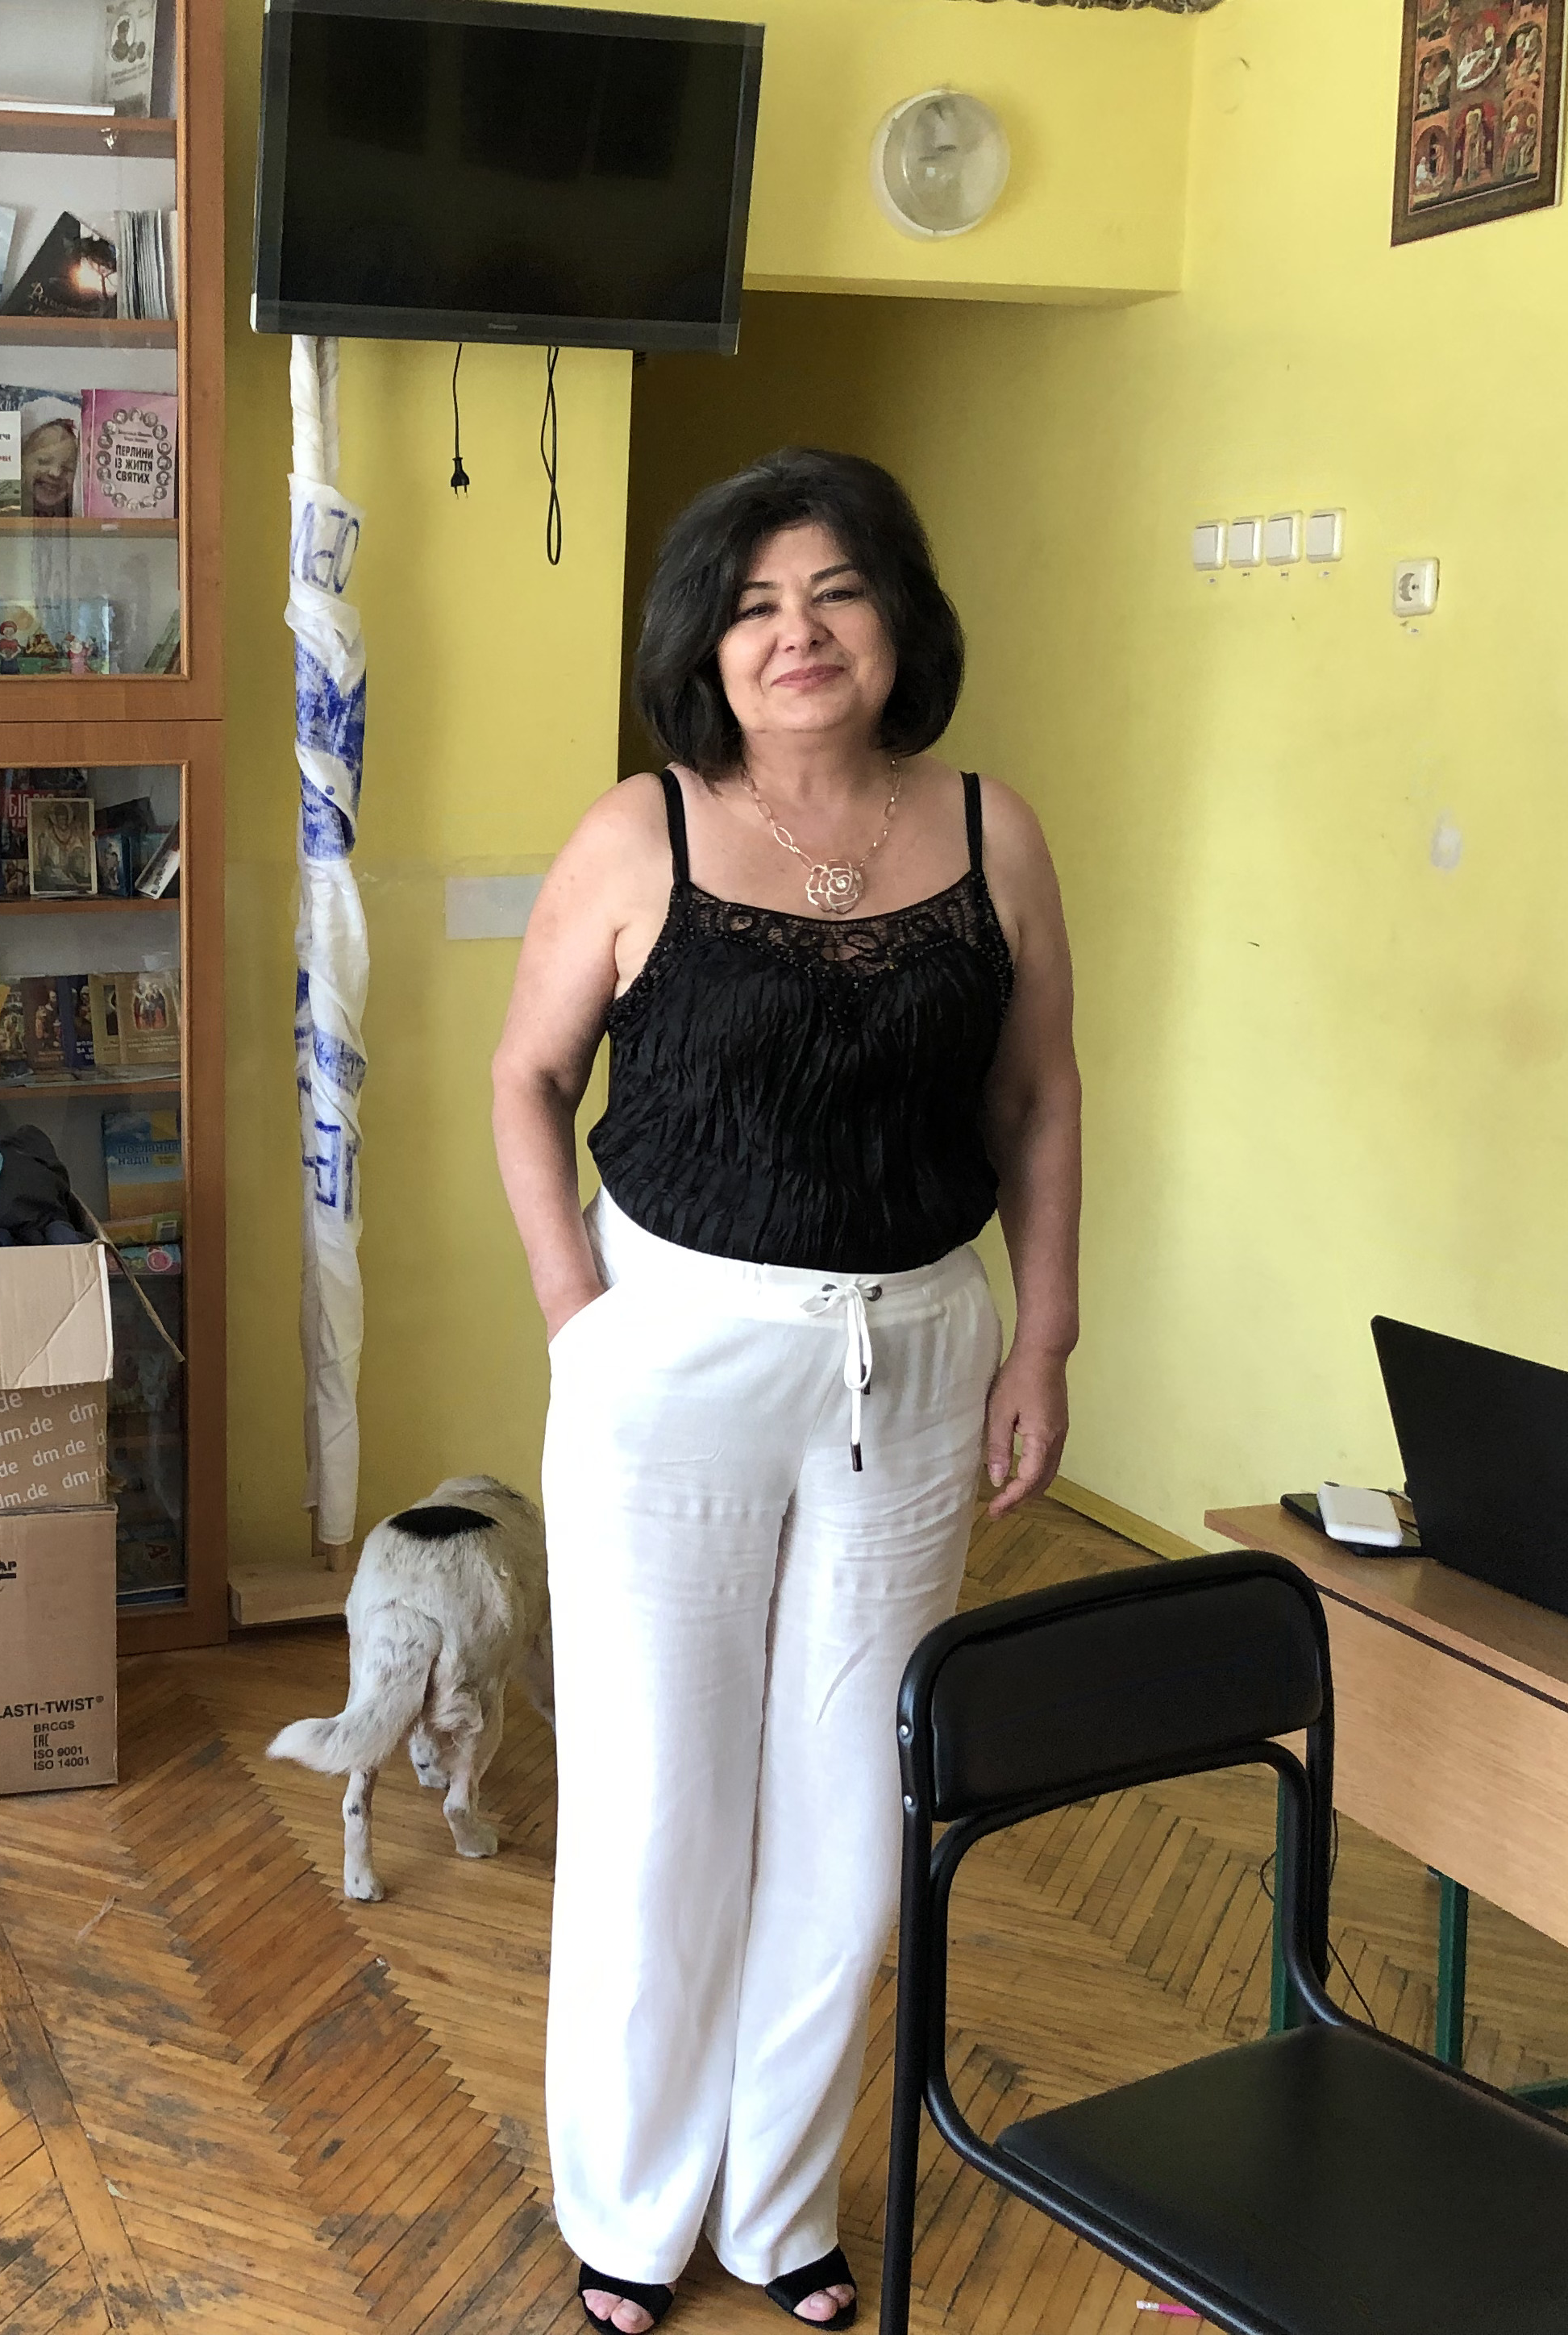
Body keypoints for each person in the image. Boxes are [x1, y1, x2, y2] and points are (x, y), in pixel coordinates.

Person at [490, 448, 1081, 2331]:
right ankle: (634, 2210)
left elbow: (1037, 1097)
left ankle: (778, 2205)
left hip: (913, 1357)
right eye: (753, 604)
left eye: (834, 592)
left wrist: (1044, 1334)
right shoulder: (639, 833)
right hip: (672, 1352)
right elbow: (526, 1083)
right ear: (705, 646)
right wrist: (580, 1319)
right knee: (660, 1799)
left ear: (900, 620)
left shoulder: (992, 834)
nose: (796, 633)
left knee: (847, 1808)